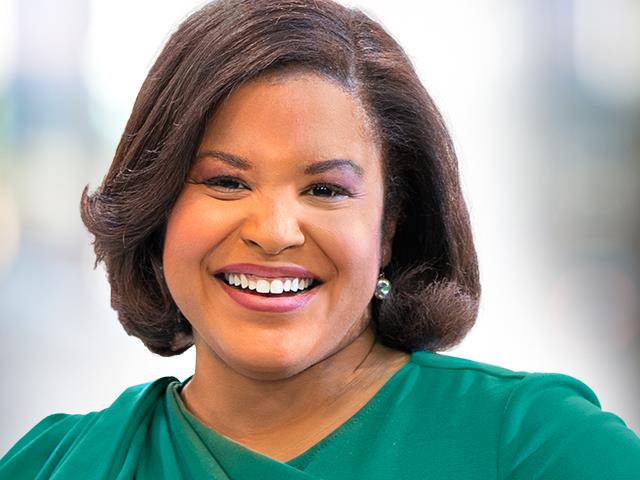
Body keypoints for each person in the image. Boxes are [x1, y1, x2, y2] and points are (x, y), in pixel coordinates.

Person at [1, 0, 639, 478]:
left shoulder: (537, 445)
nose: (274, 232)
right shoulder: (51, 465)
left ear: (391, 227)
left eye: (326, 190)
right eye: (225, 182)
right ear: (157, 208)